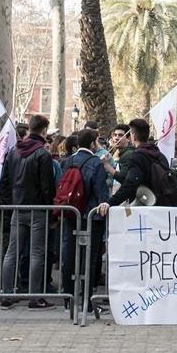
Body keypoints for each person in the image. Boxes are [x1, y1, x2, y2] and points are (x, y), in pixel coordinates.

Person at [0, 114, 57, 310]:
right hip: (38, 209)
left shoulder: (13, 152)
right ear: (43, 131)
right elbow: (47, 187)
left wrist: (11, 203)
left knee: (12, 253)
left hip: (18, 208)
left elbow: (4, 184)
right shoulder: (42, 154)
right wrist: (50, 209)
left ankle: (6, 294)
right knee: (36, 253)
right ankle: (34, 297)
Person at [59, 129, 108, 313]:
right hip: (91, 217)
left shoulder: (68, 161)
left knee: (69, 256)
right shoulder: (96, 163)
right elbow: (101, 192)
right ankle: (87, 300)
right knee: (89, 259)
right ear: (94, 143)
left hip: (71, 214)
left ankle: (68, 299)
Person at [96, 119, 170, 216]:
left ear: (132, 136)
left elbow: (130, 183)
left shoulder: (137, 156)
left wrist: (110, 202)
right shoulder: (160, 155)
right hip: (161, 207)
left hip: (143, 210)